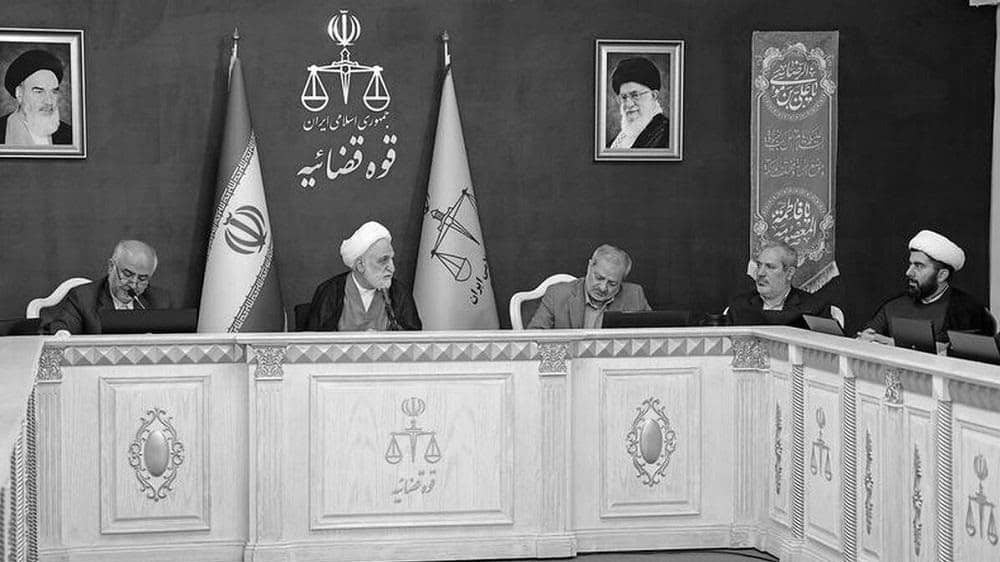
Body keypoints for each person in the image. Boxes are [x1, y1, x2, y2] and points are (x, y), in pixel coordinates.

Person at [859, 230, 992, 343]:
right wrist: (865, 339)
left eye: (918, 266)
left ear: (942, 275)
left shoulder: (968, 311)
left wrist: (897, 345)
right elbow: (867, 335)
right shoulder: (894, 306)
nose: (908, 272)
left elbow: (960, 356)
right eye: (910, 264)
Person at [305, 221, 421, 331]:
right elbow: (313, 345)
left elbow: (414, 342)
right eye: (383, 260)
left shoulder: (399, 292)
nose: (392, 267)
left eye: (391, 259)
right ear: (360, 265)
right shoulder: (330, 292)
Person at [40, 240, 173, 335]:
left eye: (142, 279)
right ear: (111, 267)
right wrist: (62, 334)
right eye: (127, 274)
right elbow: (62, 329)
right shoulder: (84, 298)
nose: (133, 284)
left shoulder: (160, 301)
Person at [527, 244, 651, 329]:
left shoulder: (635, 295)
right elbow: (533, 338)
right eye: (599, 278)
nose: (603, 288)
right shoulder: (557, 294)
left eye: (612, 284)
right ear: (590, 266)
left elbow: (656, 336)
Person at [727, 242, 832, 327]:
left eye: (770, 267)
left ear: (789, 273)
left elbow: (830, 348)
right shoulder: (740, 306)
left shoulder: (814, 309)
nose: (760, 273)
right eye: (759, 265)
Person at [1, 49, 72, 145]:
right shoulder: (2, 129)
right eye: (39, 91)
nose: (49, 101)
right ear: (19, 93)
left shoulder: (69, 134)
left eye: (54, 92)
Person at [608, 56, 668, 149]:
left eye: (635, 95)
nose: (628, 104)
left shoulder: (666, 133)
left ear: (654, 95)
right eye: (624, 97)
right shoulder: (618, 139)